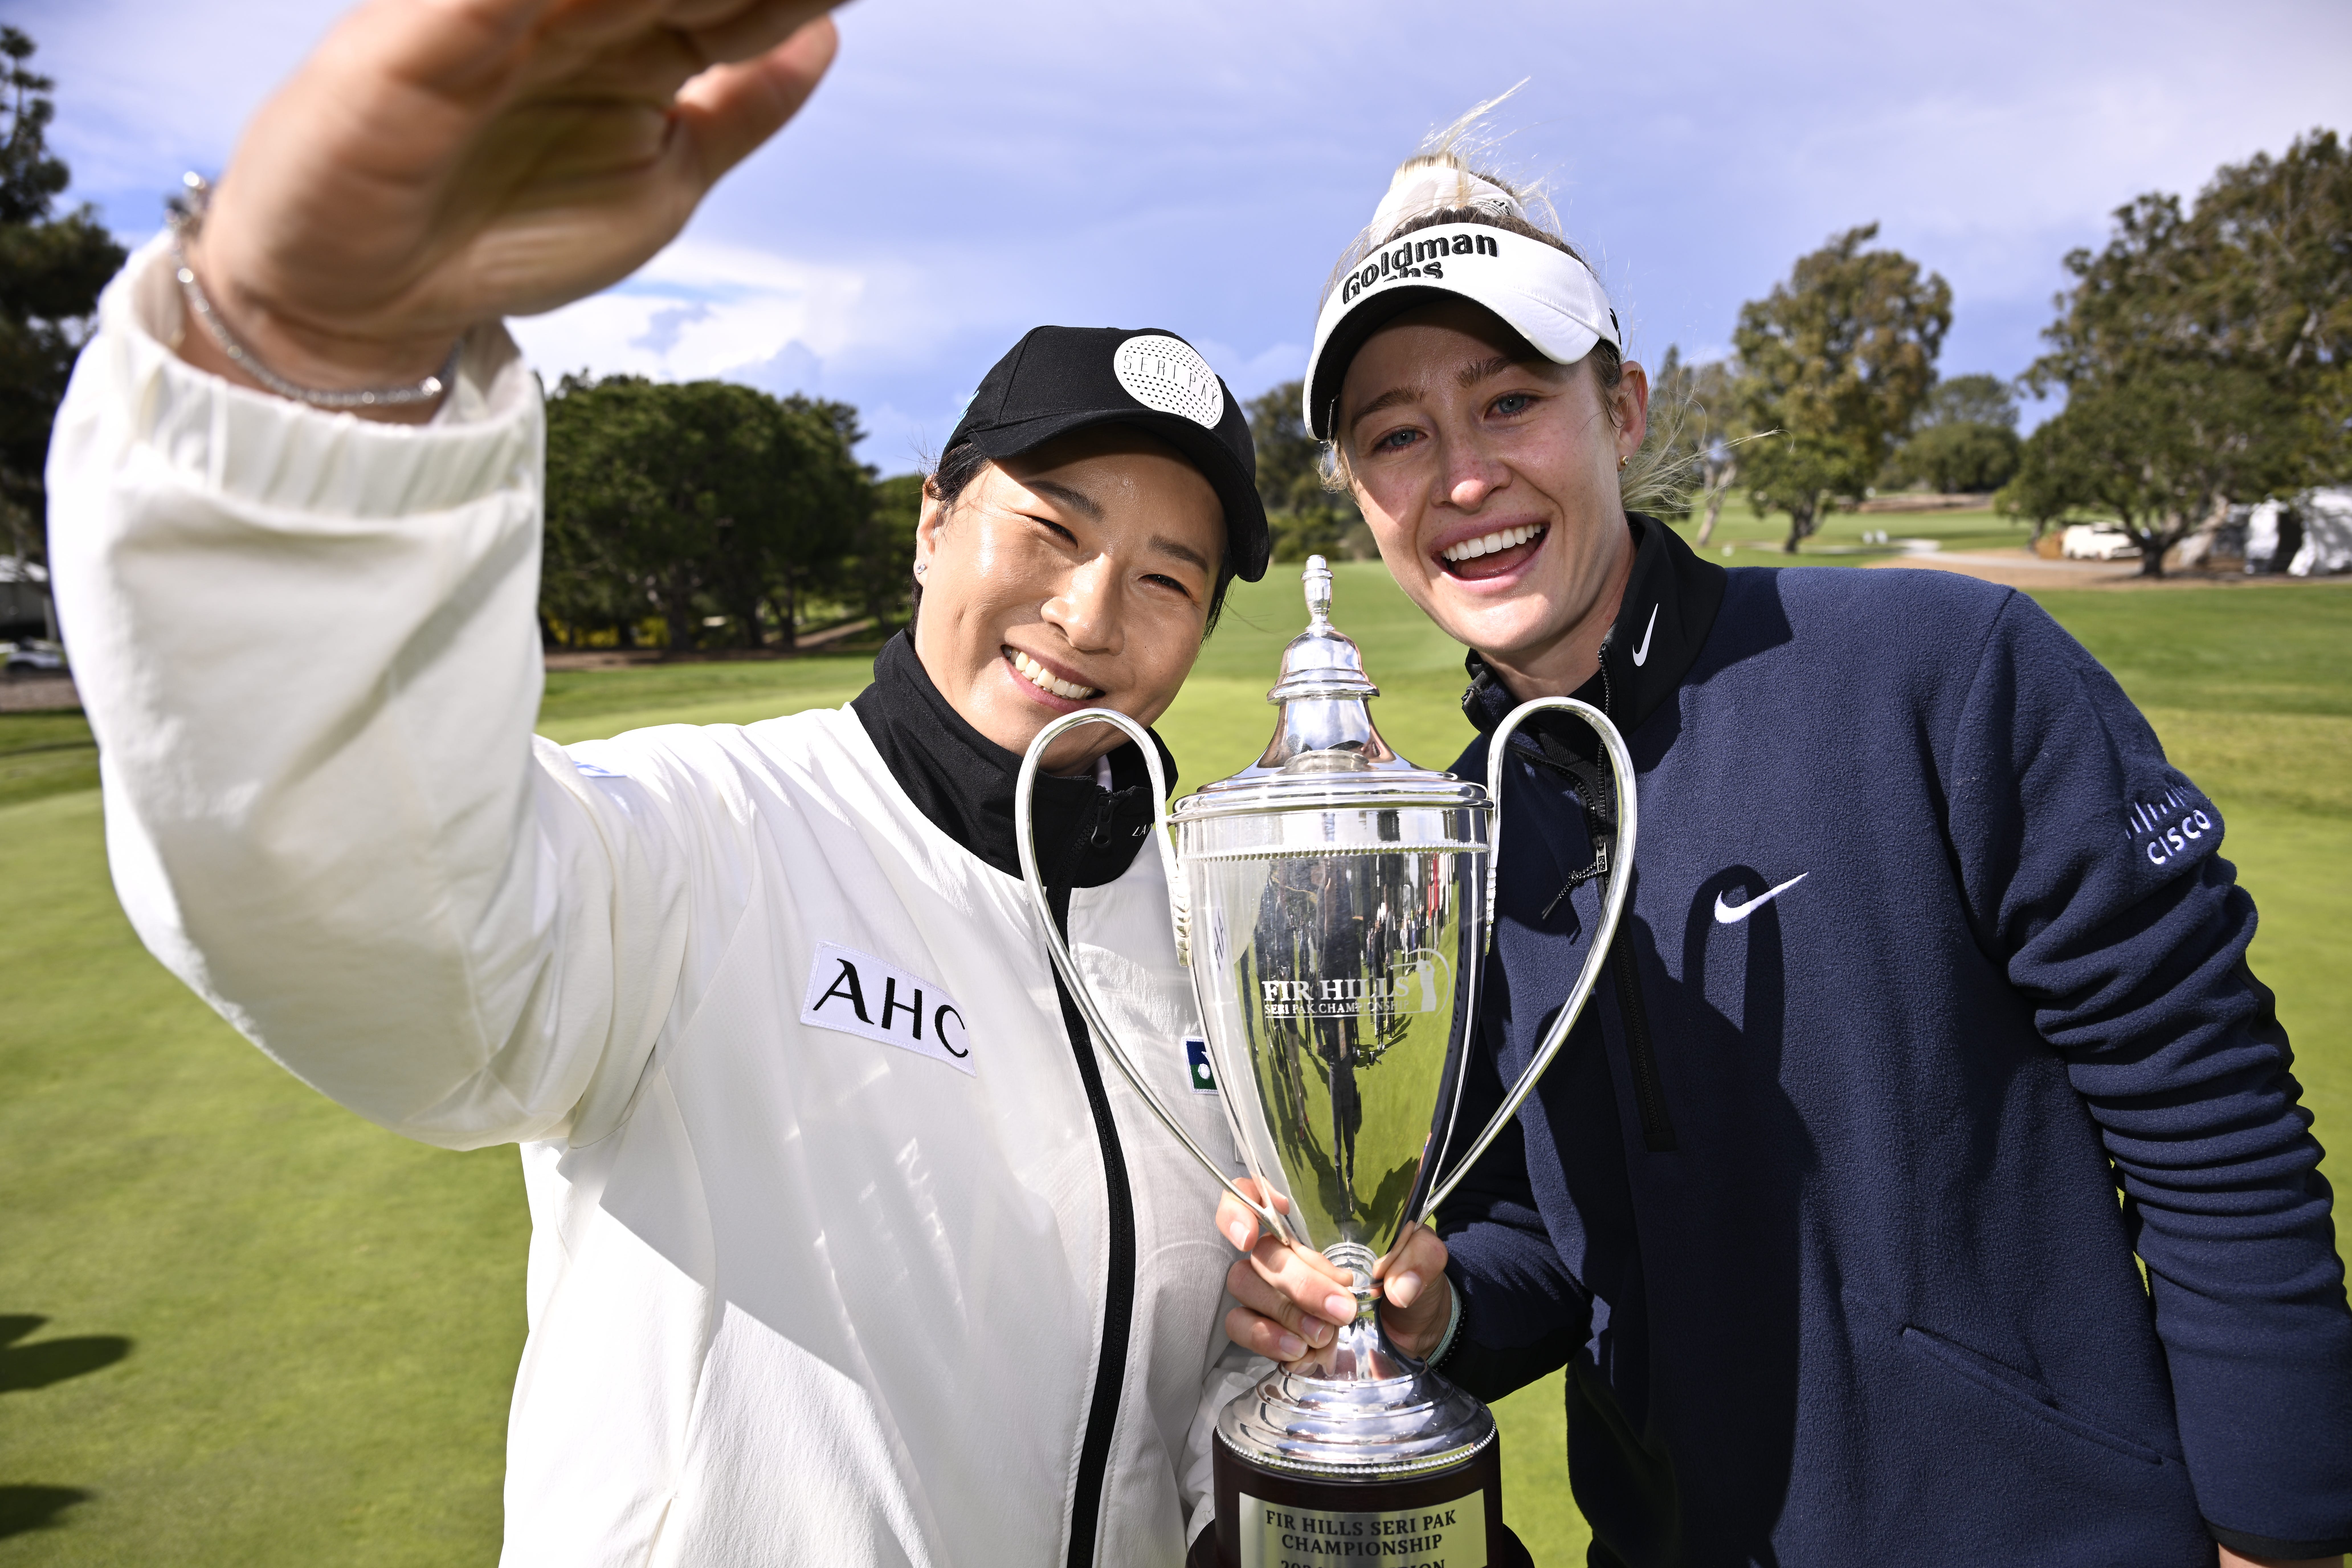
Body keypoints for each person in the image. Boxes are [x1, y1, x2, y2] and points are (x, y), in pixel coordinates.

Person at [47, 2, 1279, 1562]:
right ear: (929, 522)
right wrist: (320, 366)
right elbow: (369, 905)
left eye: (1167, 578)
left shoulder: (1206, 935)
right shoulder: (709, 838)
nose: (1093, 616)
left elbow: (1168, 1381)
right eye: (1047, 528)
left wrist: (1281, 1369)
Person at [1220, 147, 2352, 1565]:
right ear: (1357, 490)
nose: (1463, 475)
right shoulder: (1455, 837)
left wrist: (2281, 1529)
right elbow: (1548, 1244)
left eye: (1511, 400)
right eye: (1397, 435)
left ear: (1620, 412)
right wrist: (1428, 1307)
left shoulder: (1940, 667)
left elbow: (2213, 1117)